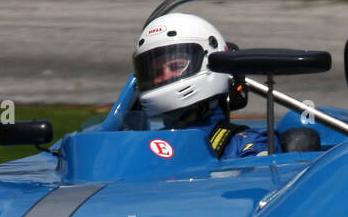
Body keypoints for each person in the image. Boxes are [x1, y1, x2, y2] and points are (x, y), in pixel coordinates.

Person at [133, 13, 311, 158]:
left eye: (177, 66)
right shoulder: (147, 145)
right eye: (156, 72)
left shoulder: (246, 145)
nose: (165, 76)